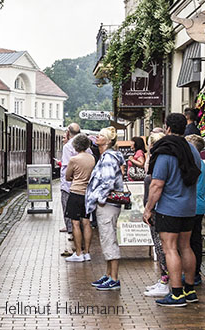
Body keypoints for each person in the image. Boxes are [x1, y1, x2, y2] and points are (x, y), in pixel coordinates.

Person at [143, 112, 202, 307]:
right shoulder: (192, 150)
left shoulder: (166, 150)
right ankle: (190, 290)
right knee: (186, 246)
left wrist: (148, 208)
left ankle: (176, 293)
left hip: (169, 207)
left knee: (170, 249)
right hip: (189, 206)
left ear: (167, 127)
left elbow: (157, 184)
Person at [86, 127, 125, 290]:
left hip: (107, 204)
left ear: (108, 141)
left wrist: (98, 198)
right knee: (106, 238)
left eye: (101, 135)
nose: (97, 137)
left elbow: (108, 182)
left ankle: (114, 278)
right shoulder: (106, 156)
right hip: (108, 205)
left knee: (109, 239)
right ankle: (108, 274)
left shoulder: (108, 157)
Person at [142, 131, 170, 297]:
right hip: (165, 209)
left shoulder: (158, 163)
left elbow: (156, 185)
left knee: (162, 247)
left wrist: (148, 209)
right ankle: (164, 279)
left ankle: (166, 280)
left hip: (158, 210)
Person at [63, 134, 95, 262]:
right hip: (87, 194)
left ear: (76, 146)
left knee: (75, 223)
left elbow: (67, 176)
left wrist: (75, 178)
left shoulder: (74, 160)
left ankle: (78, 253)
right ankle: (87, 252)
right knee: (87, 223)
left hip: (76, 193)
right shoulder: (92, 159)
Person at [185, 134, 205, 287]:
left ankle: (194, 273)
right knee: (195, 241)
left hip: (193, 206)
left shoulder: (195, 164)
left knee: (191, 242)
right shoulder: (202, 164)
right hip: (199, 205)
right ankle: (194, 272)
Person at [59, 123, 84, 235]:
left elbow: (67, 168)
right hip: (83, 187)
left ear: (68, 133)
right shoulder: (85, 148)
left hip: (69, 186)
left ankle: (74, 240)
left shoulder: (67, 147)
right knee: (82, 218)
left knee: (70, 215)